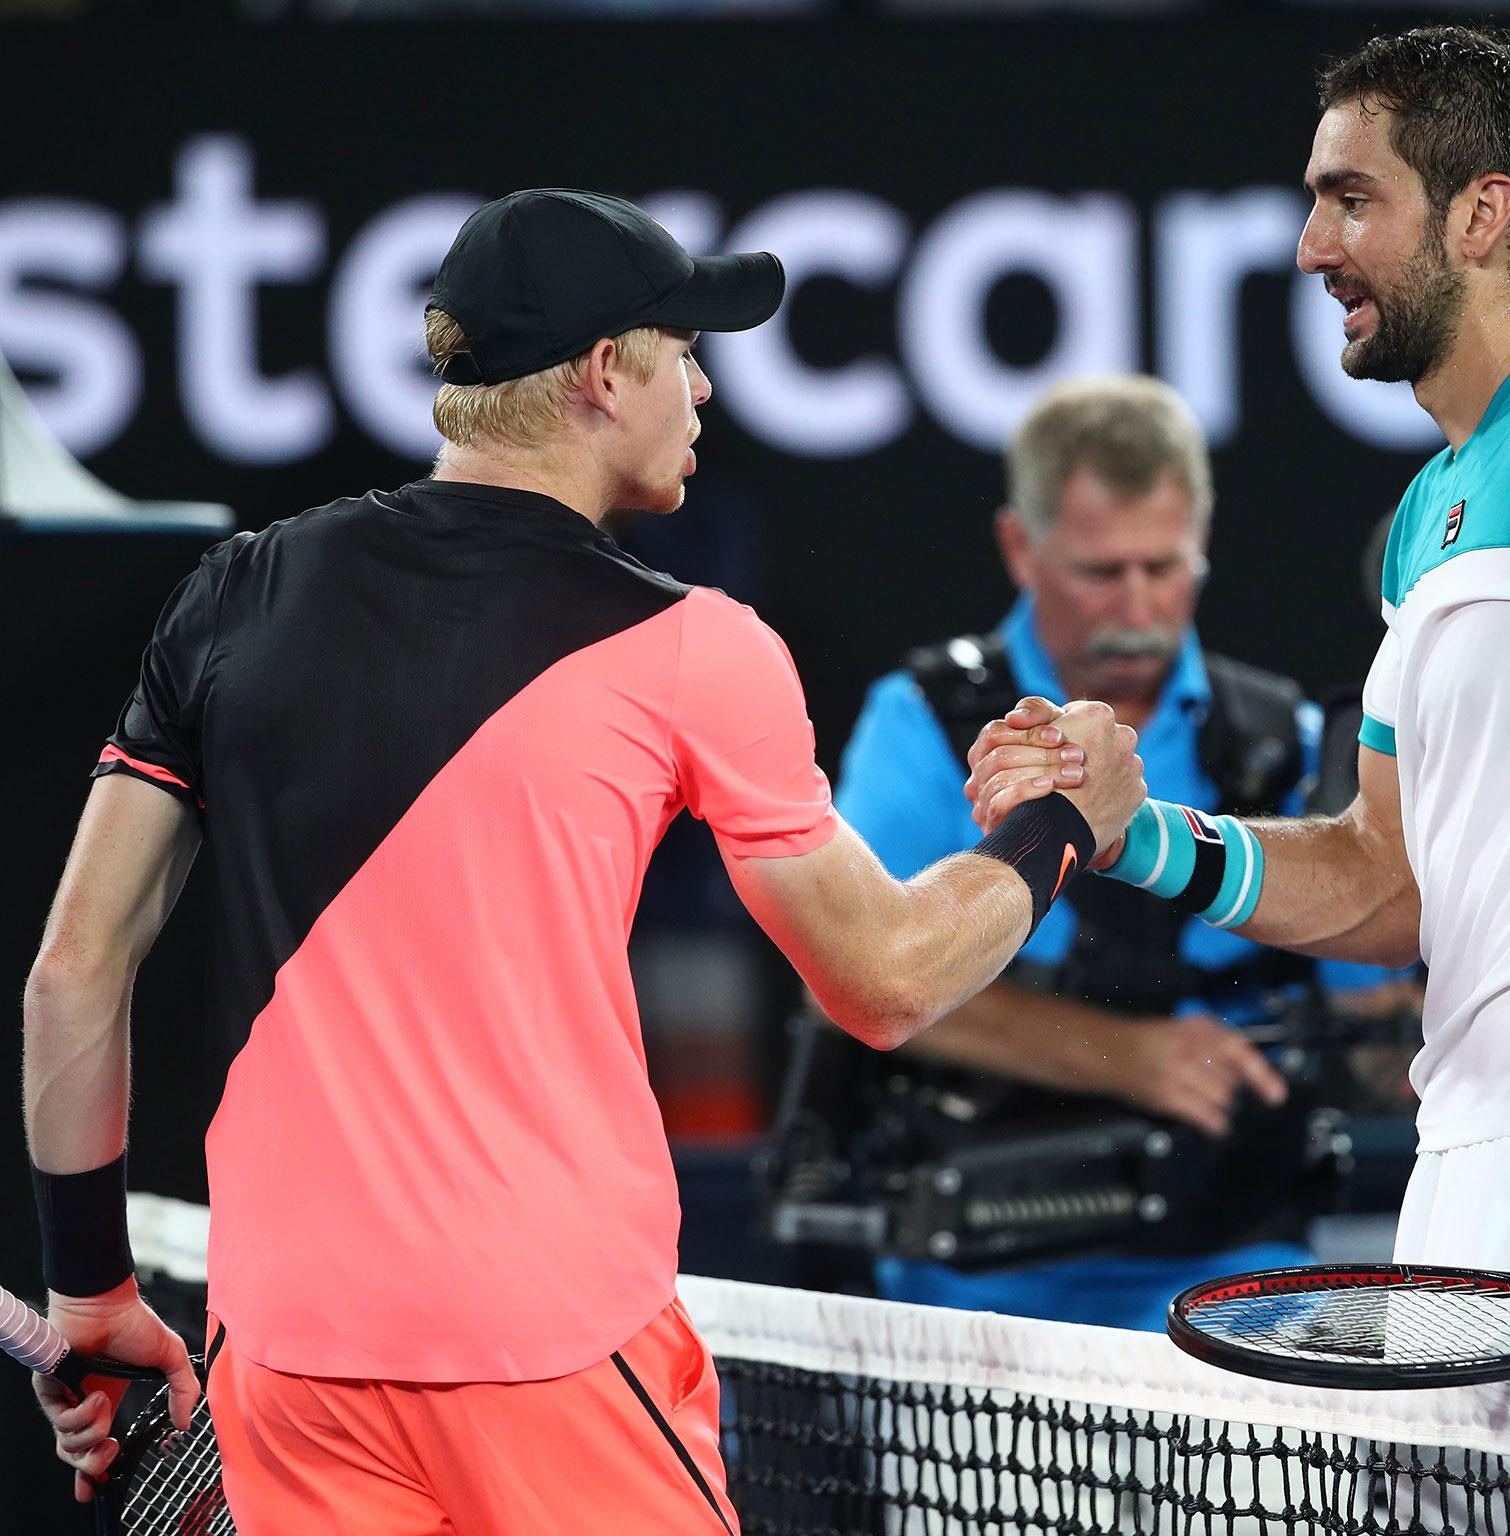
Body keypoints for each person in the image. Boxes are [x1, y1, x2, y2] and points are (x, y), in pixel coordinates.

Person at [24, 188, 1142, 1532]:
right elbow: (886, 980)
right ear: (608, 374)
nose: (709, 389)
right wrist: (1064, 826)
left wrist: (91, 1290)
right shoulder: (696, 647)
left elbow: (74, 976)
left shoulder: (232, 592)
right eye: (686, 353)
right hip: (549, 1353)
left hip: (291, 1358)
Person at [966, 26, 1510, 1393]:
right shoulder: (1431, 510)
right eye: (1318, 200)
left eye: (1352, 199)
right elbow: (1384, 879)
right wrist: (1141, 835)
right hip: (1470, 1185)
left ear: (1484, 214)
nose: (1313, 247)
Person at [832, 374, 1400, 1329]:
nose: (1139, 605)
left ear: (1203, 539)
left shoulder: (1285, 738)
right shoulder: (924, 722)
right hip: (975, 1294)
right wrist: (1126, 1058)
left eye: (1165, 566)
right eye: (1102, 573)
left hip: (1245, 1281)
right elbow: (852, 978)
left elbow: (1374, 1012)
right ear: (1021, 546)